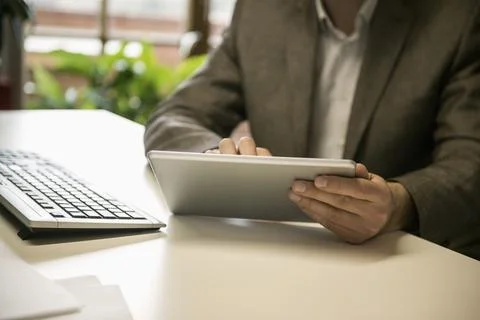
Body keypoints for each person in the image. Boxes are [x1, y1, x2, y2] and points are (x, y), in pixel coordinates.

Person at [144, 0, 480, 260]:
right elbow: (175, 116)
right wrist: (215, 158)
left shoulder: (458, 16)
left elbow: (469, 161)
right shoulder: (262, 9)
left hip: (401, 262)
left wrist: (399, 204)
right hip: (280, 252)